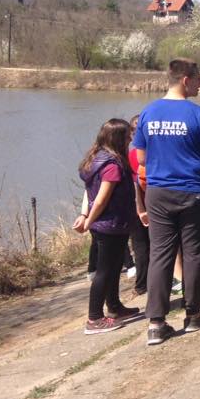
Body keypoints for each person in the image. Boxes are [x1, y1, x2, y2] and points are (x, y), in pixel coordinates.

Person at [133, 58, 200, 346]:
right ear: (186, 80)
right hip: (194, 191)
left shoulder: (148, 112)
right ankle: (193, 315)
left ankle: (156, 322)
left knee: (161, 253)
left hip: (158, 192)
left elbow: (141, 157)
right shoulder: (199, 115)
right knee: (194, 252)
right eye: (198, 79)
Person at [75, 119, 141, 334]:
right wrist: (89, 220)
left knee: (113, 268)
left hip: (110, 224)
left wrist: (85, 214)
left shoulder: (95, 159)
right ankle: (94, 318)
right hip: (110, 224)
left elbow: (88, 192)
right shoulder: (112, 165)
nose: (131, 138)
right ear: (118, 138)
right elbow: (102, 199)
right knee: (104, 270)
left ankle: (114, 307)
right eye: (127, 135)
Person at [127, 114, 150, 298]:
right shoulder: (135, 156)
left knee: (141, 246)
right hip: (142, 204)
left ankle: (142, 284)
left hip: (143, 204)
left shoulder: (132, 155)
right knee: (146, 245)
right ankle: (144, 282)